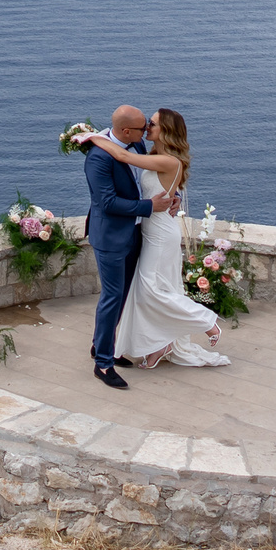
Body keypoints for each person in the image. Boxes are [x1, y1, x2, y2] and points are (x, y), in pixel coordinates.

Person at [85, 109, 227, 369]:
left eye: (153, 123)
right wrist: (172, 195)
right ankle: (160, 344)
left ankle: (208, 322)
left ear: (167, 131)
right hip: (148, 231)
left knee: (152, 289)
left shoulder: (169, 161)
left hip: (160, 234)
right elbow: (148, 180)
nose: (147, 126)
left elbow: (121, 154)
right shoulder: (150, 151)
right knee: (150, 290)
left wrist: (89, 136)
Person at [77, 104, 180, 389]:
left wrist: (173, 196)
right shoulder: (99, 158)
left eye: (149, 124)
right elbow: (107, 202)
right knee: (112, 298)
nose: (147, 129)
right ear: (125, 131)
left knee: (122, 297)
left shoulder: (133, 148)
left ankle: (101, 347)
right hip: (110, 238)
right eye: (142, 126)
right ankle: (103, 364)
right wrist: (150, 206)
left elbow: (149, 178)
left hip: (135, 233)